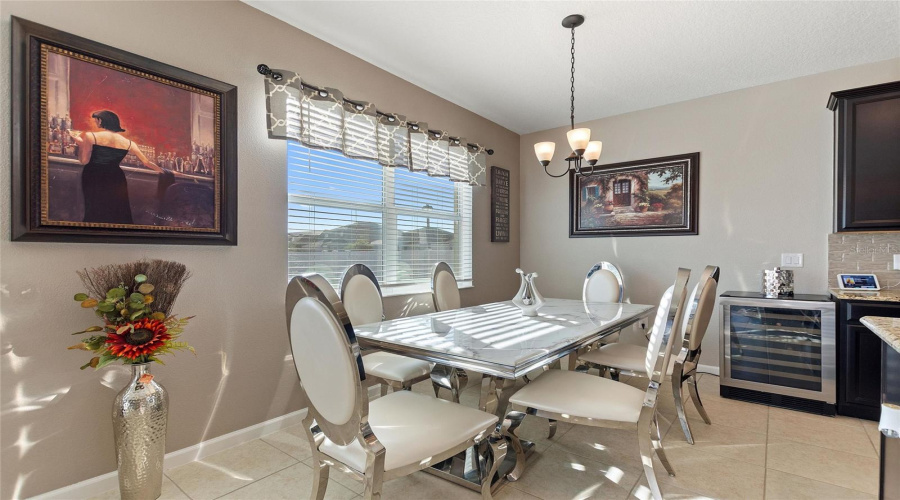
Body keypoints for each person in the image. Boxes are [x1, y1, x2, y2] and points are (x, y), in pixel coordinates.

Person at [69, 110, 167, 224]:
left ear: (101, 120)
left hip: (94, 175)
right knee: (116, 209)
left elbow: (83, 161)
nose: (96, 123)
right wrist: (167, 171)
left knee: (95, 208)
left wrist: (80, 144)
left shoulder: (90, 136)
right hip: (116, 177)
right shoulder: (129, 143)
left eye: (96, 120)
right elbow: (147, 162)